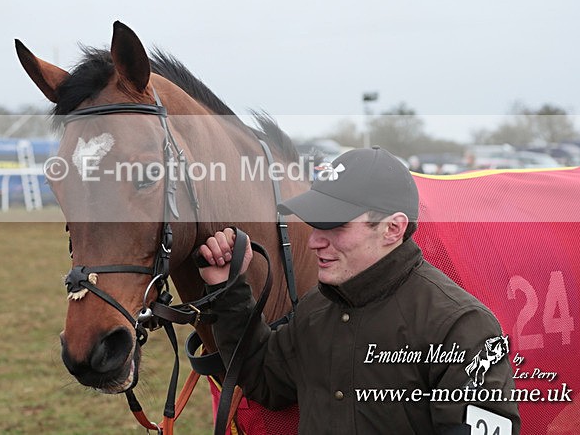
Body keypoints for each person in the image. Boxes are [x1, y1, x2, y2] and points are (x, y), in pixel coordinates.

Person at [198, 146, 520, 435]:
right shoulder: (317, 309)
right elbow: (263, 378)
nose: (314, 241)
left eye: (336, 225)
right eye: (315, 224)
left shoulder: (460, 327)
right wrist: (229, 290)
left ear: (393, 229)